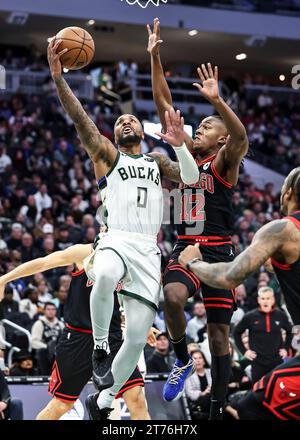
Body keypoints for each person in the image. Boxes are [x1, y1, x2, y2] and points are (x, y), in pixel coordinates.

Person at [47, 36, 199, 420]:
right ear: (113, 136)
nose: (127, 120)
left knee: (134, 338)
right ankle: (100, 346)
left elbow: (191, 177)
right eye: (119, 121)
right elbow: (81, 117)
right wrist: (58, 78)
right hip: (115, 239)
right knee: (105, 276)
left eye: (131, 118)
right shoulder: (106, 155)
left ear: (140, 130)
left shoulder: (156, 160)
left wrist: (181, 144)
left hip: (149, 249)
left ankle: (108, 391)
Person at [148, 18, 249, 419]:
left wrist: (219, 102)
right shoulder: (186, 156)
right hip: (188, 245)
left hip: (221, 252)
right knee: (171, 297)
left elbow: (240, 139)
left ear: (221, 138)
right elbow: (163, 104)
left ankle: (218, 405)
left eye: (208, 125)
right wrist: (155, 57)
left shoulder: (225, 161)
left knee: (219, 335)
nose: (201, 127)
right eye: (201, 124)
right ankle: (180, 358)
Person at [178, 167, 300, 418]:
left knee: (242, 410)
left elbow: (229, 276)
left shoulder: (282, 230)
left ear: (287, 194)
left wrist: (193, 263)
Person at [0, 243, 156, 420]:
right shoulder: (86, 252)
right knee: (61, 405)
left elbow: (128, 298)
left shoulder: (128, 259)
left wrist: (142, 323)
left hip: (112, 339)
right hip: (79, 339)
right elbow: (43, 263)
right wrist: (5, 278)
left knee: (136, 398)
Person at [233, 286, 292, 383]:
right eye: (263, 298)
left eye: (268, 298)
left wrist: (286, 348)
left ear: (273, 299)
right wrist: (244, 351)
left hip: (277, 361)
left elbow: (290, 331)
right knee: (258, 391)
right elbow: (236, 333)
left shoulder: (281, 315)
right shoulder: (250, 316)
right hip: (258, 362)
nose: (265, 301)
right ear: (258, 300)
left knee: (277, 389)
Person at [31, 302, 64, 375]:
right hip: (44, 352)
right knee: (42, 351)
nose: (51, 311)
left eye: (53, 309)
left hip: (58, 351)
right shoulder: (39, 324)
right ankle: (45, 376)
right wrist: (48, 347)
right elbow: (34, 342)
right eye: (48, 309)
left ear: (56, 311)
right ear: (44, 311)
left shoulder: (60, 324)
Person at [185, 350, 212, 420]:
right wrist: (203, 393)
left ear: (204, 360)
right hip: (198, 402)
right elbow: (190, 393)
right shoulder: (188, 375)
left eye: (200, 358)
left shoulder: (210, 372)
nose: (198, 361)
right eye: (195, 358)